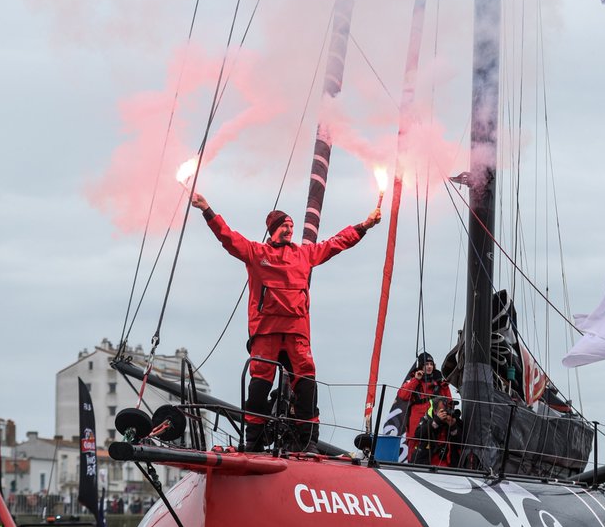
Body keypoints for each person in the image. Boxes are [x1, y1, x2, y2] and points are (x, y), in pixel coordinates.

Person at [190, 190, 381, 451]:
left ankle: (307, 442)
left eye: (291, 226)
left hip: (296, 332)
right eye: (285, 226)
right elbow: (228, 237)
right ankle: (254, 442)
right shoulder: (256, 253)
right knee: (259, 385)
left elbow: (336, 243)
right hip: (266, 332)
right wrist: (207, 210)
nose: (289, 230)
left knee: (306, 384)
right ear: (272, 230)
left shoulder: (304, 254)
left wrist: (364, 226)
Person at [396, 353, 452, 460]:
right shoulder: (413, 381)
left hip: (436, 421)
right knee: (414, 449)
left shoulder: (440, 383)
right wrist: (416, 379)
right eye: (426, 364)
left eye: (431, 364)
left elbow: (449, 401)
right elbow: (402, 395)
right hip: (416, 423)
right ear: (421, 366)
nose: (429, 366)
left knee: (437, 447)